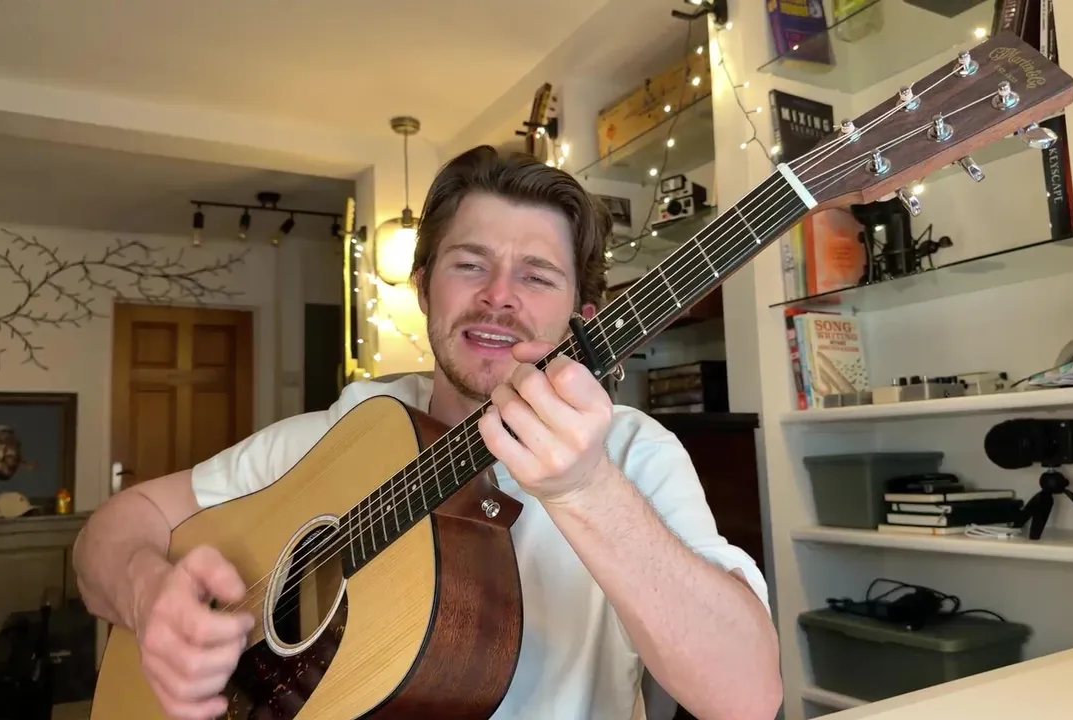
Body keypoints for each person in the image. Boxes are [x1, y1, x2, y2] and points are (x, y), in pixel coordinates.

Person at [73, 145, 782, 720]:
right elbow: (117, 525)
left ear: (584, 316)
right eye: (470, 264)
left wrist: (587, 488)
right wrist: (145, 593)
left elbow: (748, 698)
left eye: (537, 277)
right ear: (422, 287)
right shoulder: (338, 435)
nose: (498, 295)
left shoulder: (631, 454)